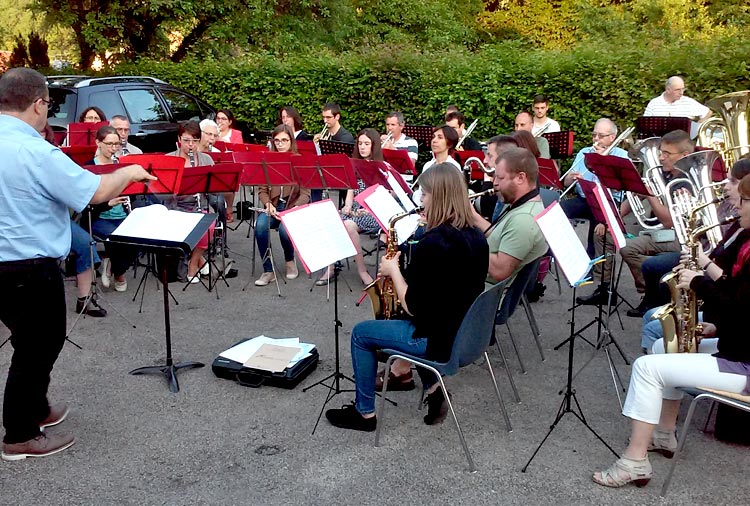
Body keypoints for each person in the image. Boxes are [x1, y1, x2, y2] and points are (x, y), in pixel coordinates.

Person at [0, 67, 154, 461]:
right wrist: (131, 171)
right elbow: (96, 191)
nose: (47, 113)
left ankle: (35, 409)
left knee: (27, 340)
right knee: (38, 347)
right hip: (28, 265)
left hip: (7, 262)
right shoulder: (34, 150)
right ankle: (19, 435)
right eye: (47, 105)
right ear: (37, 103)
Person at [592, 173, 750, 488]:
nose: (738, 207)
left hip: (744, 363)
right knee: (667, 346)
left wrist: (699, 280)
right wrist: (717, 325)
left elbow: (740, 304)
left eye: (744, 201)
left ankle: (634, 461)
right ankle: (664, 433)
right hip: (739, 347)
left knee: (646, 368)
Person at [324, 163, 489, 431]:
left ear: (439, 196)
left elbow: (412, 306)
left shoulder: (434, 243)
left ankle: (364, 413)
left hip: (437, 340)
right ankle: (434, 388)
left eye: (424, 195)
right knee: (403, 321)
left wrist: (393, 271)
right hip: (464, 332)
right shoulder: (476, 237)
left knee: (361, 334)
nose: (420, 201)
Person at [640, 159, 750, 352]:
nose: (725, 184)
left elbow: (733, 295)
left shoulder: (744, 232)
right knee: (652, 317)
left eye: (732, 181)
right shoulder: (737, 222)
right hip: (725, 320)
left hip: (732, 335)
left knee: (652, 332)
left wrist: (701, 270)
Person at [619, 130, 694, 316]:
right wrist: (617, 213)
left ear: (684, 156)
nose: (661, 158)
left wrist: (649, 195)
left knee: (645, 260)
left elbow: (669, 221)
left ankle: (654, 296)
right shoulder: (664, 173)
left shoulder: (686, 181)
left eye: (667, 154)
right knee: (626, 247)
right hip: (665, 232)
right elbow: (635, 199)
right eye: (661, 152)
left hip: (683, 237)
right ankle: (651, 291)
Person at [559, 118, 629, 306]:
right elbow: (564, 182)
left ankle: (598, 277)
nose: (596, 139)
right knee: (557, 210)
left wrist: (601, 164)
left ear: (613, 137)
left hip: (607, 201)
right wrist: (571, 178)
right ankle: (565, 256)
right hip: (585, 198)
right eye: (594, 135)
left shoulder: (621, 155)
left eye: (601, 136)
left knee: (597, 231)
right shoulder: (584, 152)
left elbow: (621, 188)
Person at [473, 147, 548, 286]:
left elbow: (499, 271)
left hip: (481, 292)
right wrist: (471, 216)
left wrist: (467, 244)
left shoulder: (524, 219)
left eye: (500, 178)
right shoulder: (522, 204)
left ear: (521, 178)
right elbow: (500, 236)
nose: (494, 183)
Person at [318, 129, 382, 286]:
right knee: (332, 220)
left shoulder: (381, 166)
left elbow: (384, 197)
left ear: (374, 146)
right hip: (355, 211)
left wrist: (368, 209)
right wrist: (347, 206)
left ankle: (362, 270)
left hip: (373, 212)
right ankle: (331, 267)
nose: (362, 147)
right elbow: (350, 190)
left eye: (367, 144)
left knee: (348, 225)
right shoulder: (353, 165)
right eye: (360, 143)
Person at [253, 125, 310, 286]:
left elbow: (306, 193)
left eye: (284, 140)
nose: (280, 144)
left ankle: (290, 260)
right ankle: (268, 270)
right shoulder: (268, 160)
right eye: (277, 140)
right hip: (274, 206)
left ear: (291, 141)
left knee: (285, 230)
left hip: (293, 208)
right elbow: (262, 190)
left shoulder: (300, 160)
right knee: (260, 226)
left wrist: (293, 210)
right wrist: (268, 204)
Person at [164, 121, 220, 281]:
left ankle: (193, 263)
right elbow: (161, 193)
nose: (190, 145)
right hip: (176, 206)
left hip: (199, 205)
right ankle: (200, 260)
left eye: (195, 141)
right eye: (187, 140)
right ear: (179, 139)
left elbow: (214, 189)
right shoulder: (169, 159)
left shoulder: (206, 159)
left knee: (210, 222)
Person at [84, 126, 134, 292]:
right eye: (109, 144)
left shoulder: (121, 165)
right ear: (98, 142)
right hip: (99, 217)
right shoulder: (89, 167)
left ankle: (112, 265)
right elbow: (85, 202)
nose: (113, 149)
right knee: (117, 238)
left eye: (116, 144)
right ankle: (119, 274)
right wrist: (107, 202)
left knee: (139, 238)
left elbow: (133, 192)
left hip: (122, 214)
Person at [643, 76, 711, 121]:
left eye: (683, 89)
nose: (681, 93)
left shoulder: (688, 102)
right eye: (678, 90)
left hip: (682, 141)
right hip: (659, 141)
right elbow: (644, 125)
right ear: (668, 90)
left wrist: (697, 129)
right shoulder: (654, 103)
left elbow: (708, 112)